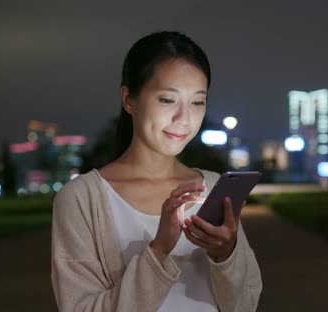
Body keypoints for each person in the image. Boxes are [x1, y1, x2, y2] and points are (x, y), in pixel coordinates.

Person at [51, 31, 262, 311]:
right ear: (129, 99)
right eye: (167, 99)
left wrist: (225, 255)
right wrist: (159, 249)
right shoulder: (81, 200)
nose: (183, 119)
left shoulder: (213, 188)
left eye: (197, 102)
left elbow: (245, 305)